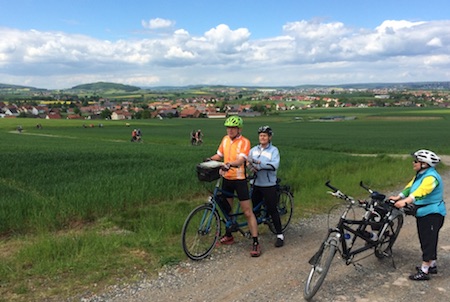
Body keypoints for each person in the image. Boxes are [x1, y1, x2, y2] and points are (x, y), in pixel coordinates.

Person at [207, 116, 261, 257]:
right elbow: (219, 155)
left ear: (239, 129)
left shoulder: (244, 142)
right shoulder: (225, 140)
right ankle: (229, 235)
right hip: (226, 178)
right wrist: (209, 160)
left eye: (233, 128)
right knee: (227, 209)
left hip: (239, 179)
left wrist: (231, 164)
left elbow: (241, 159)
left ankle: (255, 242)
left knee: (247, 212)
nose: (230, 130)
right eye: (228, 127)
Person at [389, 149, 446, 281]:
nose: (413, 163)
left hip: (432, 214)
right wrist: (399, 196)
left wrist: (406, 201)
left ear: (424, 164)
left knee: (428, 241)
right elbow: (411, 187)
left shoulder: (431, 178)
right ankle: (432, 265)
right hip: (425, 213)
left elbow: (421, 191)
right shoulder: (420, 175)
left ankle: (424, 270)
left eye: (416, 161)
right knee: (427, 239)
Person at [248, 125, 284, 248]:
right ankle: (254, 230)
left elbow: (274, 165)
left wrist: (259, 164)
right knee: (254, 210)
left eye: (265, 136)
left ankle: (279, 235)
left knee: (272, 209)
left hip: (268, 184)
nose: (262, 138)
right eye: (260, 135)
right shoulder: (253, 150)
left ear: (269, 137)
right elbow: (248, 162)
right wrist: (251, 166)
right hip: (255, 183)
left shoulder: (274, 151)